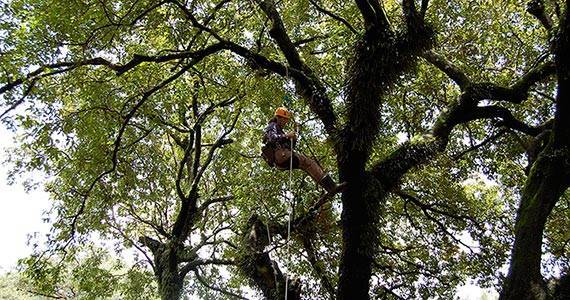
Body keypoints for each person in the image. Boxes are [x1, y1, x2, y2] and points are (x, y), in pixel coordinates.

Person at [261, 107, 345, 194]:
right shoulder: (272, 126)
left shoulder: (279, 130)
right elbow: (272, 138)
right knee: (309, 162)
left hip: (282, 158)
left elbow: (290, 147)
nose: (285, 122)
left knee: (308, 165)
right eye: (284, 119)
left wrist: (294, 138)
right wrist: (287, 136)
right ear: (279, 118)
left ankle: (330, 188)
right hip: (281, 155)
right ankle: (331, 186)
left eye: (286, 120)